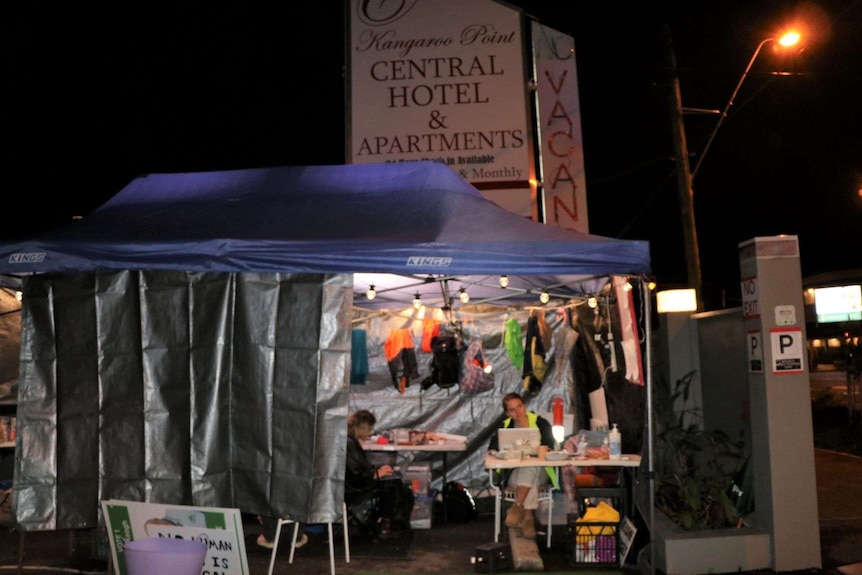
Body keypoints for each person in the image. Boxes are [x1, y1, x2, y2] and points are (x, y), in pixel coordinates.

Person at [488, 392, 556, 538]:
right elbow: (492, 448)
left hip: (541, 470)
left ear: (524, 406)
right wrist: (501, 453)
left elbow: (550, 445)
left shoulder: (540, 423)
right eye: (512, 409)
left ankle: (517, 506)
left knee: (531, 467)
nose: (517, 412)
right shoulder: (504, 427)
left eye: (519, 406)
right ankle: (527, 518)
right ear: (507, 413)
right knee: (530, 475)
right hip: (514, 473)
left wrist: (539, 451)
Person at [346, 409, 415, 539]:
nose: (370, 433)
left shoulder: (349, 441)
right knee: (393, 486)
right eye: (370, 429)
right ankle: (389, 524)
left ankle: (385, 521)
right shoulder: (350, 444)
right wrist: (376, 473)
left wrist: (377, 470)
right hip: (354, 487)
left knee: (396, 484)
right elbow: (357, 473)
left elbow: (357, 468)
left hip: (353, 483)